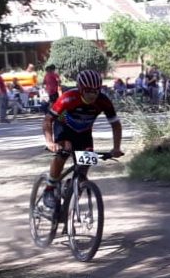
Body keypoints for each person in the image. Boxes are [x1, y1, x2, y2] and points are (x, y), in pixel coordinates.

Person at [40, 70, 123, 210]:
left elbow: (115, 124)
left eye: (96, 91)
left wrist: (116, 148)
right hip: (64, 128)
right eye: (88, 91)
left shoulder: (103, 101)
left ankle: (73, 193)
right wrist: (49, 142)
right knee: (65, 150)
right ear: (80, 89)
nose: (93, 95)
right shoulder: (68, 98)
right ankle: (50, 188)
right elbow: (48, 120)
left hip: (83, 133)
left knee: (87, 159)